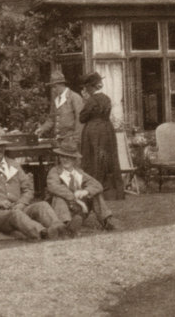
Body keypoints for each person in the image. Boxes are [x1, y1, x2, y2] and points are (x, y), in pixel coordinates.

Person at [0, 138, 64, 240]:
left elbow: (28, 189)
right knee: (15, 214)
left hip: (18, 208)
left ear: (5, 147)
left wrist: (21, 203)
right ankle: (43, 233)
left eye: (2, 146)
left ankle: (60, 228)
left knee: (42, 205)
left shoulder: (13, 164)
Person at [47, 144, 117, 234]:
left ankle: (107, 221)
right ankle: (65, 225)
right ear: (59, 158)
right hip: (63, 209)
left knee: (95, 193)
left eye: (69, 157)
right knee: (58, 198)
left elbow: (97, 185)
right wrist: (74, 198)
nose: (65, 159)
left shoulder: (78, 172)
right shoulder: (54, 171)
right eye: (62, 156)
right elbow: (54, 187)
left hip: (78, 210)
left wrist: (85, 191)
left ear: (74, 159)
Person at [78, 72, 125, 200]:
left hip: (93, 131)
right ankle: (114, 192)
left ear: (90, 87)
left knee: (92, 159)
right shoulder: (106, 98)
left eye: (86, 87)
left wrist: (85, 101)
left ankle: (93, 192)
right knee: (108, 160)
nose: (85, 90)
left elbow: (82, 118)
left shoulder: (91, 100)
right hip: (107, 130)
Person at [35, 69, 86, 149]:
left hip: (71, 141)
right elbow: (51, 119)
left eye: (54, 87)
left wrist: (76, 139)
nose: (53, 90)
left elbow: (80, 120)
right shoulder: (56, 99)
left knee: (70, 161)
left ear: (59, 85)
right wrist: (42, 128)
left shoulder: (74, 98)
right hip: (58, 141)